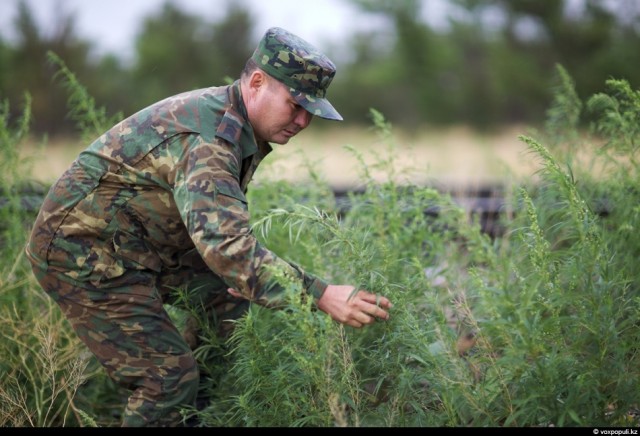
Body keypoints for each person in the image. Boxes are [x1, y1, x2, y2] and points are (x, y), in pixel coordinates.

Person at [26, 27, 392, 427]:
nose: (303, 121)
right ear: (256, 83)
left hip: (142, 241)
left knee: (228, 308)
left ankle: (188, 418)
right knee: (166, 378)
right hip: (81, 249)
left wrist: (240, 275)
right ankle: (170, 407)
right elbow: (227, 247)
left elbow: (220, 241)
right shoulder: (210, 139)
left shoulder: (237, 121)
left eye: (311, 112)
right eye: (295, 105)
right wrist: (321, 294)